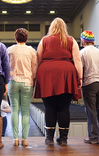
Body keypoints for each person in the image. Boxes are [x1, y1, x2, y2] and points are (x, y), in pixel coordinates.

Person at [34, 17, 83, 146]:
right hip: (66, 73)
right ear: (64, 27)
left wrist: (36, 77)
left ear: (51, 27)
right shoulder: (71, 40)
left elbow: (37, 60)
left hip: (47, 73)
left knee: (49, 107)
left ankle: (49, 138)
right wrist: (80, 77)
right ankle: (63, 139)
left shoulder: (44, 40)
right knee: (64, 108)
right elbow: (77, 60)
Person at [7, 28, 37, 146]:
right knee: (25, 111)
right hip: (27, 81)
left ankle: (15, 139)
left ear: (15, 38)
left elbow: (5, 67)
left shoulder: (10, 49)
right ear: (26, 38)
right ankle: (24, 139)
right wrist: (33, 81)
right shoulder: (31, 50)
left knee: (14, 110)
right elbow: (34, 68)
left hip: (13, 81)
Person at [79, 30, 99, 144]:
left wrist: (80, 83)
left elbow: (81, 69)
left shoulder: (83, 52)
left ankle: (93, 137)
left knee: (91, 111)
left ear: (83, 40)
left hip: (90, 83)